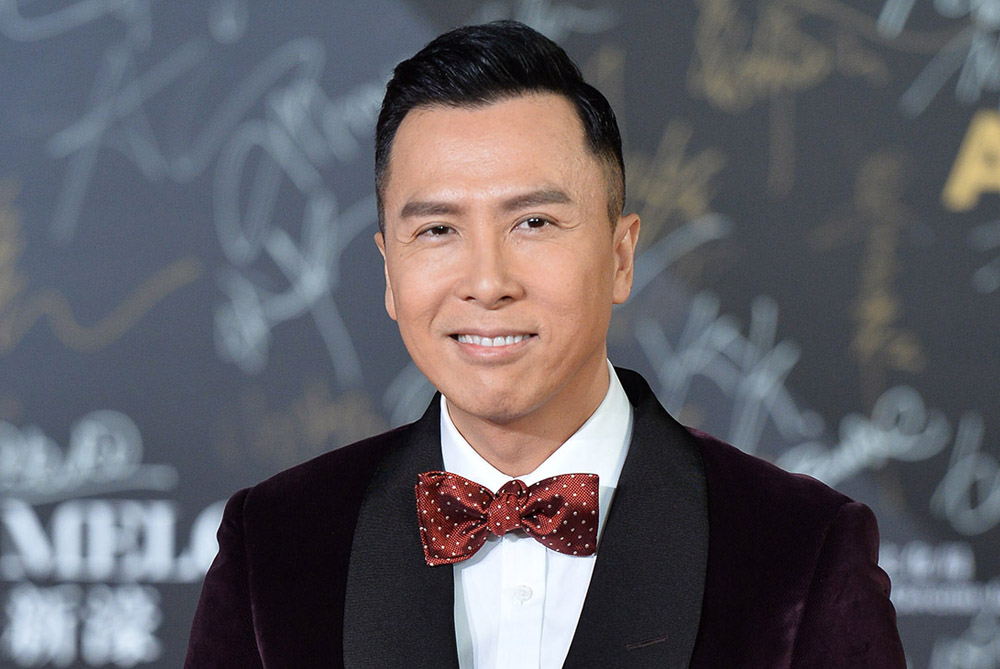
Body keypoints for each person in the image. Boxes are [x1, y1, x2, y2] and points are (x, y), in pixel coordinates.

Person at [184, 20, 905, 668]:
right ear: (388, 273)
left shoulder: (802, 549)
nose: (487, 282)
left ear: (621, 257)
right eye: (437, 229)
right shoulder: (276, 546)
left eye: (533, 223)